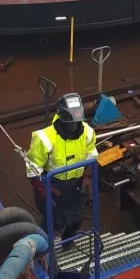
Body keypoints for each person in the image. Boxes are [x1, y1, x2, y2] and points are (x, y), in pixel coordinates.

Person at [26, 92, 98, 245]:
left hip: (76, 185)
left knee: (76, 219)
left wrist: (87, 179)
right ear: (62, 118)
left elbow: (91, 155)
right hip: (52, 185)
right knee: (54, 221)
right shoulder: (44, 138)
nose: (74, 126)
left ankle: (67, 241)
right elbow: (33, 168)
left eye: (76, 122)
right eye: (70, 123)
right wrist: (42, 189)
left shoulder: (87, 132)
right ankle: (43, 245)